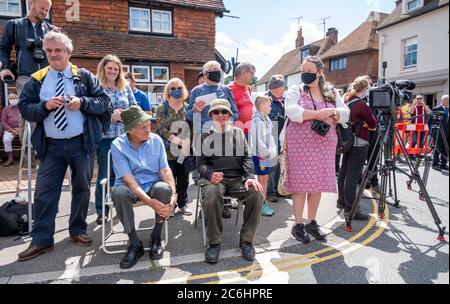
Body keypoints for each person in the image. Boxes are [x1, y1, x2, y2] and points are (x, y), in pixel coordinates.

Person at [17, 31, 111, 262]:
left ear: (69, 52)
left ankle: (77, 230)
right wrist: (45, 106)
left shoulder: (84, 76)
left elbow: (104, 102)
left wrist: (83, 102)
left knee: (81, 189)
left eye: (57, 50)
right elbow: (25, 108)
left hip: (81, 143)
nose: (52, 55)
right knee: (45, 193)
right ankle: (41, 239)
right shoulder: (37, 78)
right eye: (48, 51)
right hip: (51, 146)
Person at [285, 55, 349, 244]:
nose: (304, 75)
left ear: (320, 73)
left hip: (324, 143)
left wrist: (333, 112)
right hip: (300, 143)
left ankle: (312, 222)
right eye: (303, 71)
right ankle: (298, 224)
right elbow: (291, 110)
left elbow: (345, 113)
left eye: (309, 72)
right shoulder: (296, 90)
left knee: (317, 183)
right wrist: (318, 114)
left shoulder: (331, 92)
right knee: (300, 184)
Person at [197, 99, 263, 264]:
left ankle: (246, 241)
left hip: (236, 179)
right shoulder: (203, 136)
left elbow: (247, 157)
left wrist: (249, 178)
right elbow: (200, 164)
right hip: (213, 179)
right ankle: (214, 243)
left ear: (229, 115)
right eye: (216, 112)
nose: (221, 115)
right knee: (212, 194)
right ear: (211, 115)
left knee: (256, 194)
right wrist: (211, 174)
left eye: (224, 112)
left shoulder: (238, 133)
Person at [111, 106, 176, 269]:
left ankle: (156, 236)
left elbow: (165, 170)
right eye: (143, 127)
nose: (149, 130)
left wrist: (174, 195)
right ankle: (134, 243)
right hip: (129, 187)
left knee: (163, 189)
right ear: (131, 130)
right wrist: (150, 202)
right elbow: (130, 181)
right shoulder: (117, 145)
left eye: (149, 125)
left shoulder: (156, 140)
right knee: (118, 192)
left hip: (152, 184)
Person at [0, 0, 57, 144]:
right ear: (31, 3)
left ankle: (46, 150)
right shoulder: (14, 25)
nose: (44, 12)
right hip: (25, 76)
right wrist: (6, 67)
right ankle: (29, 152)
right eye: (42, 8)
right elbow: (3, 48)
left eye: (47, 10)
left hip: (47, 77)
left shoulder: (50, 29)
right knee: (27, 111)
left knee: (50, 109)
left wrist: (58, 39)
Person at [187, 60, 238, 219]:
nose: (218, 72)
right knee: (206, 171)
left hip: (224, 136)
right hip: (204, 136)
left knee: (225, 168)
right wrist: (195, 110)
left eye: (219, 70)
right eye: (214, 70)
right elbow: (188, 115)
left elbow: (235, 112)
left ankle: (223, 205)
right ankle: (206, 205)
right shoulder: (196, 90)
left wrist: (230, 120)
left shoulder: (225, 89)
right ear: (205, 73)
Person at [94, 55, 137, 225]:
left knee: (124, 173)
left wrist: (124, 115)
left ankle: (122, 205)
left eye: (116, 69)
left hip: (124, 138)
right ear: (103, 69)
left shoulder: (125, 87)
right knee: (105, 174)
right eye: (109, 68)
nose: (112, 71)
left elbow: (135, 108)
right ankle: (101, 210)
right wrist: (109, 116)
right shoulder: (97, 87)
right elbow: (91, 111)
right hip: (105, 138)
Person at [337, 77, 376, 221]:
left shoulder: (347, 101)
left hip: (347, 141)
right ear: (365, 89)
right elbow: (373, 124)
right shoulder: (362, 105)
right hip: (359, 142)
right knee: (353, 176)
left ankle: (341, 202)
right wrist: (366, 124)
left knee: (344, 172)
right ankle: (351, 208)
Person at [156, 78, 192, 217]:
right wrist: (178, 141)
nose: (176, 90)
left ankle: (182, 204)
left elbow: (192, 127)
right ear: (168, 91)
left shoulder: (188, 108)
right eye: (173, 88)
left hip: (184, 151)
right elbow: (162, 128)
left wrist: (187, 143)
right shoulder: (162, 108)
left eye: (179, 87)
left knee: (184, 179)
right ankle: (170, 205)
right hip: (168, 151)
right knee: (169, 179)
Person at [250, 96, 277, 217]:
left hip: (265, 154)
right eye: (268, 105)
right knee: (262, 179)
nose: (270, 108)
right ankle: (260, 204)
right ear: (262, 106)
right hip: (260, 155)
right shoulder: (257, 120)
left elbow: (269, 137)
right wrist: (266, 153)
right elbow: (257, 140)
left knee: (264, 178)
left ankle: (262, 202)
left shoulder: (266, 119)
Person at [265, 75, 286, 203]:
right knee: (271, 165)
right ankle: (269, 192)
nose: (284, 89)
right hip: (271, 134)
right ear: (277, 88)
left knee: (279, 164)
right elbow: (268, 117)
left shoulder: (283, 99)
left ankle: (278, 190)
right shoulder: (266, 99)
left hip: (281, 135)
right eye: (283, 86)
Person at [229, 63, 256, 138]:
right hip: (236, 134)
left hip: (249, 132)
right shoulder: (228, 89)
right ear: (242, 72)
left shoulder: (248, 88)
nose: (253, 76)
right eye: (252, 73)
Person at [1, 93, 20, 167]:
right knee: (6, 139)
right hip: (10, 129)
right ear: (9, 100)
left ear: (17, 99)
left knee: (28, 138)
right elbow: (3, 122)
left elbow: (26, 119)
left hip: (21, 129)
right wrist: (12, 130)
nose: (13, 100)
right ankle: (10, 159)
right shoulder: (5, 109)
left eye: (14, 98)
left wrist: (20, 129)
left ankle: (28, 159)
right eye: (11, 99)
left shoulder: (21, 108)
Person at [431, 95, 449, 171]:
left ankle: (443, 164)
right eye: (446, 99)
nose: (447, 101)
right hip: (438, 132)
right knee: (437, 148)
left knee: (446, 149)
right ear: (442, 100)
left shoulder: (448, 109)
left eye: (448, 100)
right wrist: (431, 133)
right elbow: (431, 121)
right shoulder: (436, 109)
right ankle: (435, 164)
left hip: (447, 133)